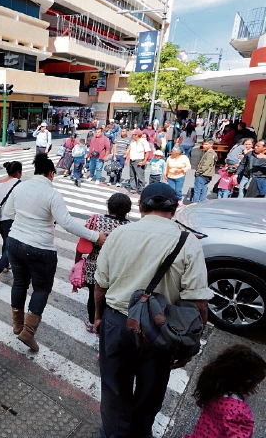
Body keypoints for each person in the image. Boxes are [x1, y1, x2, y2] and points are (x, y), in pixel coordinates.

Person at [93, 182, 212, 438]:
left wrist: (98, 317)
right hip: (160, 329)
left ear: (140, 206)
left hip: (117, 321)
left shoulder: (119, 235)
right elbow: (199, 303)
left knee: (114, 389)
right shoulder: (188, 242)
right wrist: (192, 341)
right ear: (175, 208)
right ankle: (139, 433)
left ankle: (113, 434)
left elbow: (100, 286)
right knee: (151, 391)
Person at [4, 154, 106, 352]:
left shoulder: (20, 187)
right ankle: (28, 332)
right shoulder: (52, 194)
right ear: (51, 174)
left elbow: (8, 213)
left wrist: (27, 218)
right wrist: (95, 236)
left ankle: (17, 325)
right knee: (41, 289)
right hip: (41, 249)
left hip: (14, 242)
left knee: (19, 283)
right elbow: (67, 223)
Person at [75, 194, 131, 333]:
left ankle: (91, 322)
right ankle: (106, 322)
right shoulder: (130, 227)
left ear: (108, 206)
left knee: (93, 297)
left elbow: (82, 243)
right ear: (127, 210)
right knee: (109, 297)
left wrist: (77, 263)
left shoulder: (95, 220)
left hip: (94, 267)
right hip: (116, 269)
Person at [186, 344, 266, 438]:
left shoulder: (214, 389)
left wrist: (246, 386)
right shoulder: (239, 414)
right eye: (257, 382)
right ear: (247, 382)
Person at [0, 161, 22, 287]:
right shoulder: (18, 184)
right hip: (10, 220)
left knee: (6, 241)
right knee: (11, 246)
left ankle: (6, 265)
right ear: (18, 172)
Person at [125, 130, 151, 194]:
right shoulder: (132, 142)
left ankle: (142, 189)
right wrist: (127, 159)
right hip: (132, 160)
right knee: (132, 175)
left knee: (140, 176)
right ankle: (133, 188)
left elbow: (147, 151)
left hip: (139, 160)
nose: (132, 136)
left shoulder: (143, 141)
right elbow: (130, 151)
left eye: (133, 135)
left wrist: (144, 161)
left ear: (136, 135)